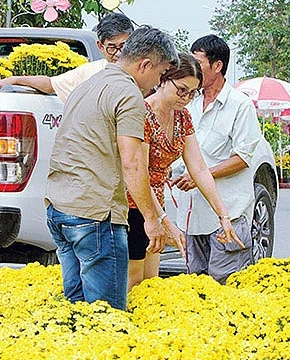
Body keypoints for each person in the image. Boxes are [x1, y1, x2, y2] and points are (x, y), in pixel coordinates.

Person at [45, 26, 179, 310]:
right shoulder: (128, 94)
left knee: (77, 313)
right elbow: (133, 164)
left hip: (60, 208)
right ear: (145, 64)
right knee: (106, 317)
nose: (157, 83)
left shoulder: (89, 84)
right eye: (160, 74)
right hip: (95, 215)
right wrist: (151, 221)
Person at [127, 53, 242, 291]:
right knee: (134, 282)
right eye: (181, 90)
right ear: (163, 80)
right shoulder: (143, 113)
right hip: (133, 202)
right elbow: (139, 173)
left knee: (151, 284)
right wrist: (163, 220)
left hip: (154, 203)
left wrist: (223, 215)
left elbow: (199, 168)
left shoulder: (182, 117)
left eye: (192, 93)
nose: (186, 98)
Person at [172, 34, 261, 285]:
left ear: (217, 66)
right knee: (196, 287)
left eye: (197, 63)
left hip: (227, 215)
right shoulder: (188, 102)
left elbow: (243, 158)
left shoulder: (240, 105)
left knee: (227, 286)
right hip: (190, 215)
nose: (191, 68)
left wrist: (201, 176)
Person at [0, 12, 134, 103]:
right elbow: (51, 84)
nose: (118, 53)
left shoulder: (145, 69)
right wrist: (15, 80)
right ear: (100, 46)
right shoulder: (91, 72)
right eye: (112, 48)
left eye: (123, 46)